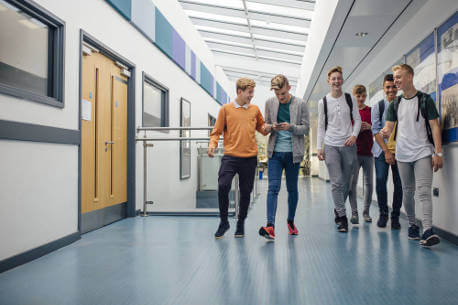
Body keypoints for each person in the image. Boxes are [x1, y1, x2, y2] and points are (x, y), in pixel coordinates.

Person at [380, 64, 443, 247]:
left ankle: (428, 230)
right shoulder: (395, 103)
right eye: (394, 77)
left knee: (424, 191)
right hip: (402, 154)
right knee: (408, 192)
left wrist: (438, 152)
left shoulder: (425, 100)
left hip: (423, 151)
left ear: (410, 76)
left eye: (399, 77)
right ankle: (413, 225)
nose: (396, 80)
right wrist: (384, 131)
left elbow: (435, 126)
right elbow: (389, 127)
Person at [209, 78, 269, 239]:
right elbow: (216, 131)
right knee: (223, 185)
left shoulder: (255, 110)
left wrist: (268, 128)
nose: (252, 96)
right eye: (249, 92)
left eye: (252, 92)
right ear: (239, 92)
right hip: (230, 157)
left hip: (249, 158)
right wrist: (212, 145)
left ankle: (240, 223)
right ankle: (223, 222)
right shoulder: (225, 109)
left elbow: (262, 129)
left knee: (246, 192)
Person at [258, 75, 310, 241]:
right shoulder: (269, 103)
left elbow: (306, 128)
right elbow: (264, 127)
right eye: (277, 93)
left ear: (289, 87)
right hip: (275, 153)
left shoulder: (301, 104)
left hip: (293, 154)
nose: (280, 97)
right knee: (273, 188)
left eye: (282, 92)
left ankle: (290, 221)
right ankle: (270, 226)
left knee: (292, 188)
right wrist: (270, 127)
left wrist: (291, 127)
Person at [317, 66, 361, 233]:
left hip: (348, 144)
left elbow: (357, 120)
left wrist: (354, 135)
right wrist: (319, 148)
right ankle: (342, 217)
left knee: (346, 182)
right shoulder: (323, 102)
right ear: (329, 81)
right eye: (333, 79)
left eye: (338, 78)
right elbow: (321, 126)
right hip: (330, 145)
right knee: (336, 182)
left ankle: (338, 207)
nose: (336, 81)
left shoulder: (349, 99)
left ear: (342, 80)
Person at [371, 74, 403, 229]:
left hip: (401, 151)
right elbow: (376, 131)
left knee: (399, 184)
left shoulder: (403, 104)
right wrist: (386, 152)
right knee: (381, 181)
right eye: (388, 87)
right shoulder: (379, 106)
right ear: (383, 89)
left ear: (398, 87)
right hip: (381, 151)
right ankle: (383, 214)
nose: (391, 89)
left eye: (393, 86)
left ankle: (395, 216)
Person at [348, 85, 373, 224]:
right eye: (358, 96)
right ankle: (354, 213)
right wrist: (356, 128)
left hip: (368, 153)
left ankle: (366, 212)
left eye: (363, 96)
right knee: (352, 184)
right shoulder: (350, 112)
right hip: (354, 153)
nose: (361, 98)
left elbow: (378, 128)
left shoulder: (370, 110)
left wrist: (369, 127)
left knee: (369, 184)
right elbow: (346, 130)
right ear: (354, 96)